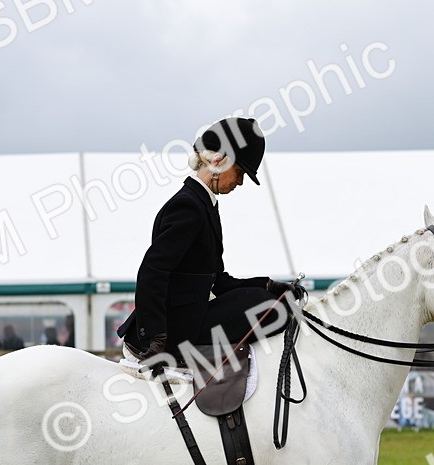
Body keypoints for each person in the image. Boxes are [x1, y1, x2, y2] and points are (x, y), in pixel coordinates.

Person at [116, 117, 302, 366]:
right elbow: (152, 271)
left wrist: (267, 285)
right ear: (219, 161)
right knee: (272, 310)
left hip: (192, 315)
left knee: (266, 300)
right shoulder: (188, 206)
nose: (240, 182)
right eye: (240, 172)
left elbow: (218, 281)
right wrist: (155, 336)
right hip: (175, 329)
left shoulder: (205, 204)